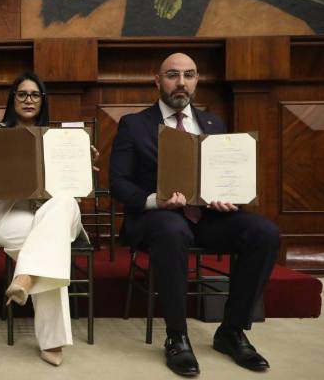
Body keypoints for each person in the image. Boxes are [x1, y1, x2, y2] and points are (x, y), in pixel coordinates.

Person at [109, 52, 280, 377]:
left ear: (197, 80)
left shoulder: (214, 124)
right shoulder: (134, 124)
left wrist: (229, 198)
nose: (181, 82)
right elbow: (118, 183)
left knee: (265, 233)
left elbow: (226, 176)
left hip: (208, 219)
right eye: (172, 75)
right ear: (157, 81)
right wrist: (156, 200)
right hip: (156, 219)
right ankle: (177, 337)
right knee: (172, 230)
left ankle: (231, 331)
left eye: (189, 75)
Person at [0, 72, 98, 366]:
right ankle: (51, 339)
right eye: (22, 94)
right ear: (13, 99)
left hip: (56, 213)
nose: (28, 100)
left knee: (63, 204)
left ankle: (24, 278)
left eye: (35, 94)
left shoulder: (58, 138)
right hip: (9, 215)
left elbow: (75, 188)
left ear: (43, 100)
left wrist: (81, 163)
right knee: (51, 247)